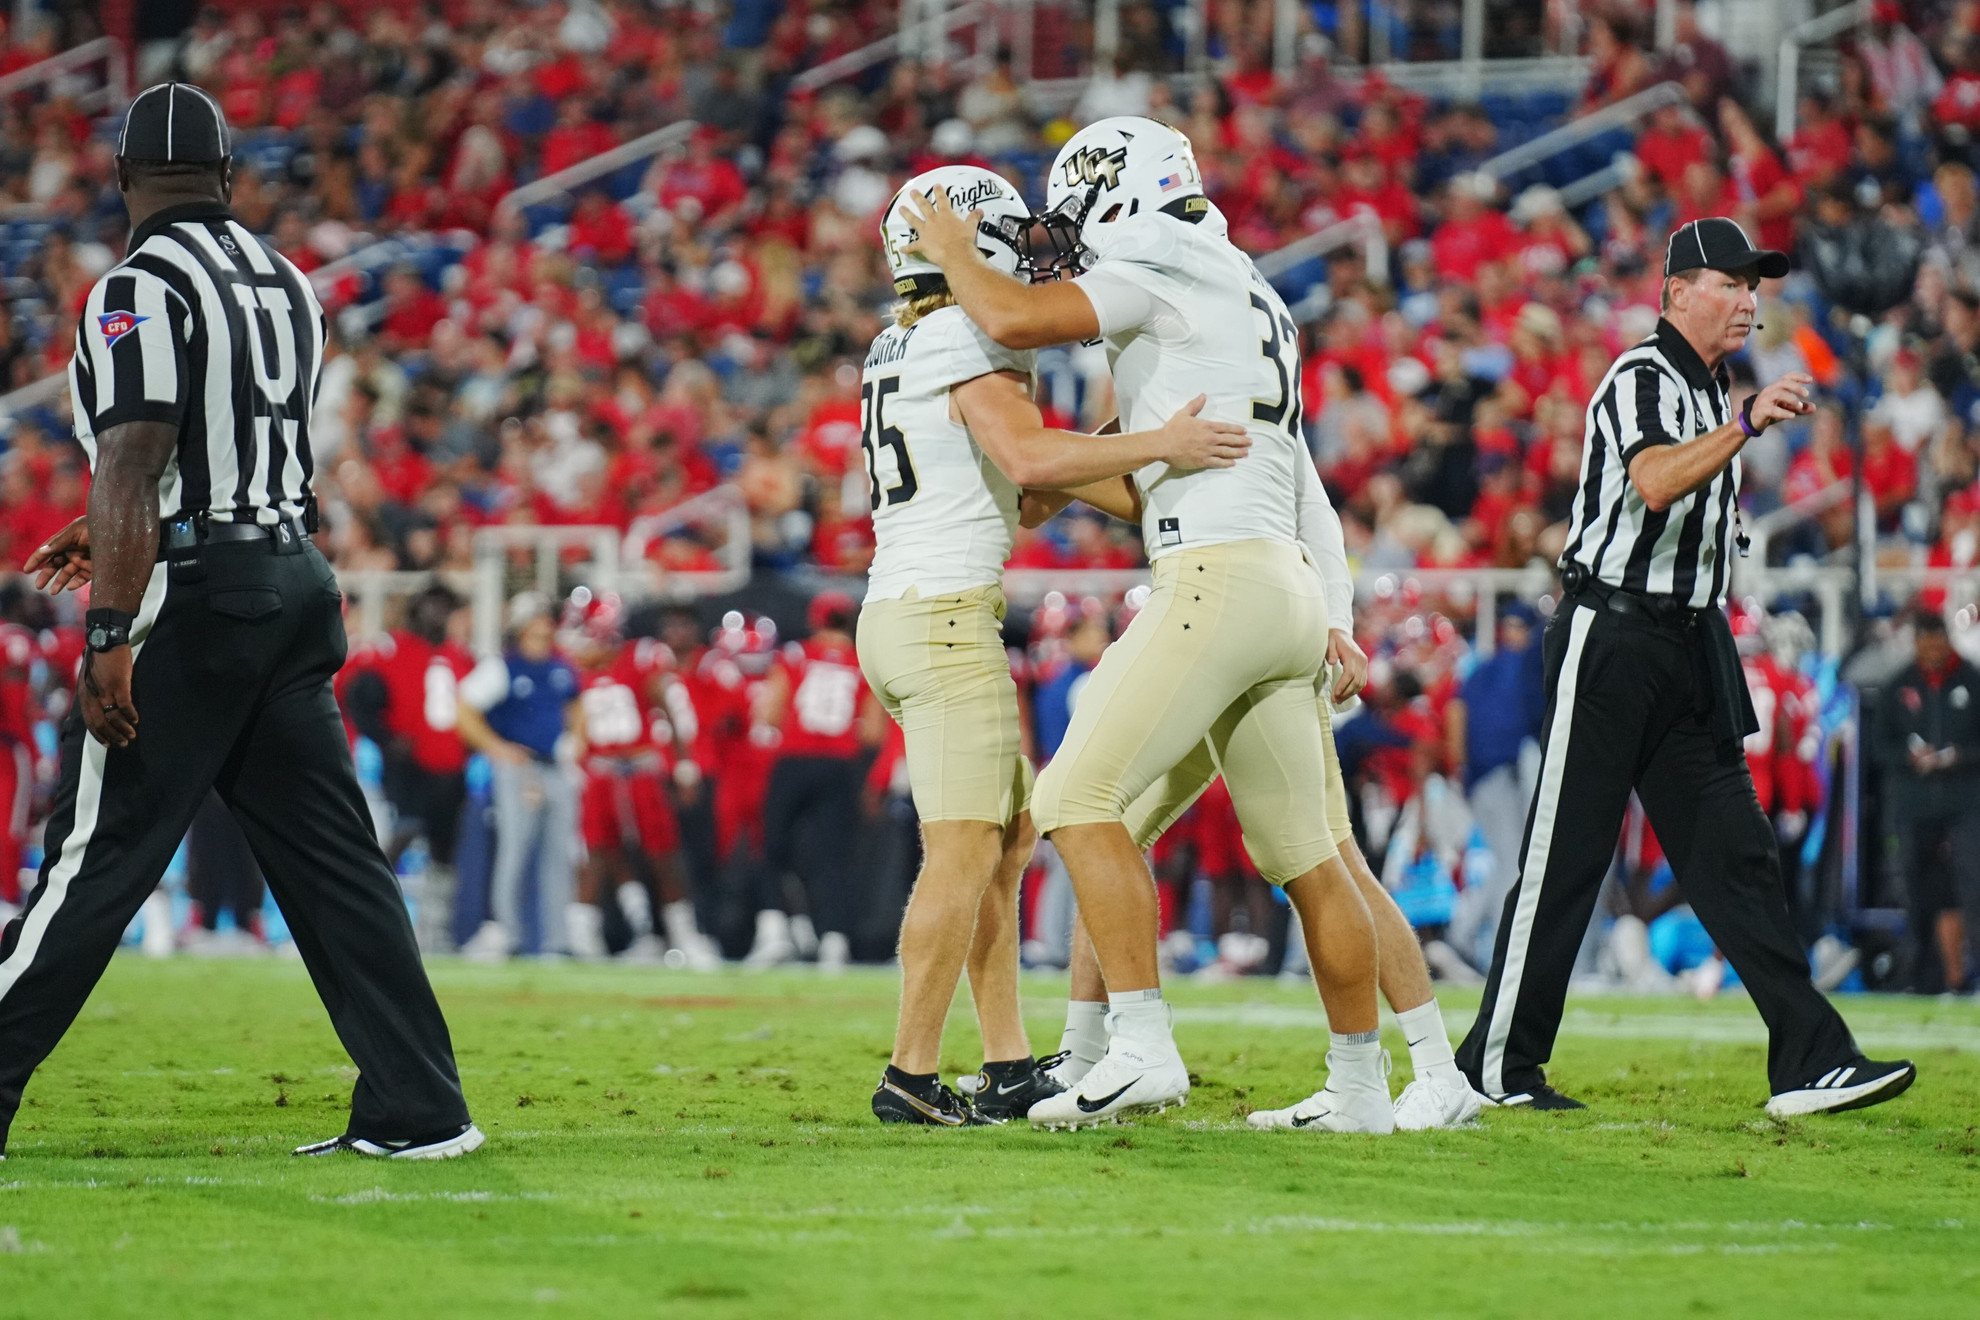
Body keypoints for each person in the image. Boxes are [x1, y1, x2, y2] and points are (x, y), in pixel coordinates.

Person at [11, 84, 479, 1160]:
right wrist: (124, 528)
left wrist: (108, 632)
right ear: (229, 178)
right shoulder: (285, 284)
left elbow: (135, 455)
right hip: (293, 580)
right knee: (336, 861)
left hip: (198, 596)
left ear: (124, 182)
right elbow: (241, 456)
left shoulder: (135, 287)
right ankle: (420, 1107)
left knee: (93, 858)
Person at [904, 117, 1385, 1131]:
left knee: (1076, 797)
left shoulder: (1158, 250)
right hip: (1279, 582)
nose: (1063, 230)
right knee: (1307, 852)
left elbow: (1019, 318)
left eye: (1074, 202)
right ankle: (1361, 1088)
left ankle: (1142, 1045)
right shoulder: (1239, 278)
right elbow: (1178, 459)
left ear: (1115, 189)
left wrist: (953, 255)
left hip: (1216, 578)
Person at [1452, 217, 1915, 1119]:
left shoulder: (1711, 389)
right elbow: (1655, 481)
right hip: (1611, 634)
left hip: (1689, 642)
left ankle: (1812, 1058)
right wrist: (1744, 424)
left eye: (1756, 285)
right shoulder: (1642, 376)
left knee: (1737, 856)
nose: (1749, 299)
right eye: (1730, 282)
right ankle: (1496, 1067)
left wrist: (1736, 416)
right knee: (1569, 855)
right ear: (1675, 294)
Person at [860, 165, 1250, 1125]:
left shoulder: (898, 339)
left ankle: (1004, 1063)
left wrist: (1123, 445)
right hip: (943, 616)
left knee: (1005, 840)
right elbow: (1032, 462)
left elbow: (1027, 491)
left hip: (907, 609)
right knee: (962, 853)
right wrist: (1159, 445)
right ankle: (910, 1075)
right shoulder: (965, 329)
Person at [339, 583, 475, 953]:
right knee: (403, 832)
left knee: (444, 849)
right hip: (408, 766)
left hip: (451, 768)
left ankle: (436, 929)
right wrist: (386, 739)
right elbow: (360, 698)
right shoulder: (391, 651)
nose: (437, 615)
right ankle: (368, 919)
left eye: (444, 608)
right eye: (431, 607)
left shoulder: (459, 656)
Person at [751, 592, 883, 972]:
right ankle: (834, 944)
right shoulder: (863, 664)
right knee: (834, 859)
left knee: (774, 848)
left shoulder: (795, 656)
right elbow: (873, 732)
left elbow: (770, 712)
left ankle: (775, 933)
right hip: (840, 765)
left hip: (794, 759)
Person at [456, 592, 581, 961]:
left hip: (555, 766)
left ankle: (557, 940)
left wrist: (577, 741)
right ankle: (506, 933)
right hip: (520, 767)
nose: (545, 629)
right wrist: (497, 749)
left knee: (560, 854)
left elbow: (577, 706)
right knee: (516, 850)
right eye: (537, 624)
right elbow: (464, 710)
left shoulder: (561, 666)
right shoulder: (502, 667)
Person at [1876, 611, 1980, 993]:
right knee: (1916, 893)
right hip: (1914, 806)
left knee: (1972, 889)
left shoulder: (1972, 681)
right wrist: (1908, 757)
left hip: (1964, 805)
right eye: (1925, 641)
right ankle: (1922, 978)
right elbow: (1878, 746)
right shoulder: (1898, 686)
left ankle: (1968, 977)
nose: (1932, 649)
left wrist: (1959, 756)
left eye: (1938, 641)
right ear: (1917, 642)